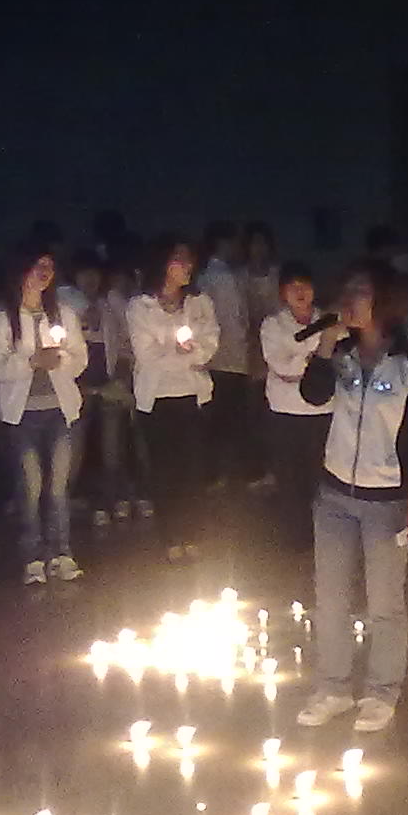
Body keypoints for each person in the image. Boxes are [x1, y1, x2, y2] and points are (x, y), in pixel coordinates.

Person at [295, 262, 408, 733]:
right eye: (348, 290)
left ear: (385, 301)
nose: (348, 300)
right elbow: (313, 394)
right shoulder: (341, 354)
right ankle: (333, 687)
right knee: (330, 599)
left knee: (384, 603)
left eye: (360, 291)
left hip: (386, 500)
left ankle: (381, 692)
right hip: (334, 492)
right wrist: (324, 345)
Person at [0, 242, 90, 584]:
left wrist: (61, 360)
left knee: (58, 486)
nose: (44, 273)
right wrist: (31, 362)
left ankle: (61, 552)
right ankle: (32, 555)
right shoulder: (0, 319)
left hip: (60, 410)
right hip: (22, 415)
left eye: (49, 266)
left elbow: (80, 359)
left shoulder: (63, 315)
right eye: (37, 265)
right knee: (30, 486)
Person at [127, 235, 220, 561]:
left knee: (193, 469)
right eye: (180, 259)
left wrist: (185, 353)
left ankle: (192, 533)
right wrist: (184, 355)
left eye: (190, 259)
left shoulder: (200, 303)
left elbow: (209, 345)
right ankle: (170, 537)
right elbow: (146, 355)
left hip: (193, 395)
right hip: (156, 397)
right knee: (164, 470)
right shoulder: (140, 306)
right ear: (164, 263)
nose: (188, 266)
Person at [259, 263, 334, 551]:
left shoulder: (329, 321)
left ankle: (323, 537)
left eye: (305, 285)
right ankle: (294, 537)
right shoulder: (273, 325)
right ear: (283, 293)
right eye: (293, 287)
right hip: (285, 411)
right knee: (289, 476)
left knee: (320, 476)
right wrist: (315, 358)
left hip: (322, 410)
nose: (300, 292)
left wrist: (308, 360)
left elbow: (334, 362)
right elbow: (280, 365)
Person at [60, 248, 136, 526]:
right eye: (84, 272)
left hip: (108, 383)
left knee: (111, 445)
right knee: (74, 447)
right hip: (76, 386)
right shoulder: (63, 303)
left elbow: (126, 343)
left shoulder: (110, 304)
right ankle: (64, 502)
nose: (90, 278)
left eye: (94, 272)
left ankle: (111, 499)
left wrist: (120, 376)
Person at [196, 221, 249, 487]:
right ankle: (219, 474)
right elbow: (233, 319)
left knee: (218, 420)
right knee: (226, 420)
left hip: (214, 358)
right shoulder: (222, 276)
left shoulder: (205, 275)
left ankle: (215, 473)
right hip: (228, 358)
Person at [241, 221, 283, 487]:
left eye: (262, 243)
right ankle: (256, 469)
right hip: (250, 351)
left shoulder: (277, 275)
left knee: (273, 412)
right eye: (254, 243)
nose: (259, 248)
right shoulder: (240, 277)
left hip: (277, 347)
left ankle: (274, 468)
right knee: (253, 413)